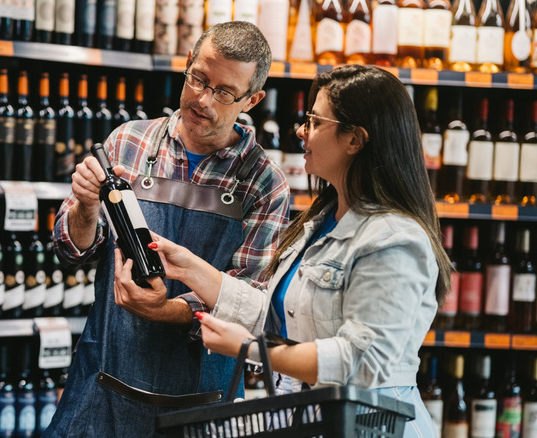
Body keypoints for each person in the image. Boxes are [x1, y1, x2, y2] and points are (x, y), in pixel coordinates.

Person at [116, 64, 453, 437]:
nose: (301, 131)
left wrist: (250, 349)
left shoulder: (394, 240)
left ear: (354, 140)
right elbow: (287, 318)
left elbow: (363, 360)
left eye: (314, 121)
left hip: (372, 427)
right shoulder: (321, 221)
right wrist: (193, 269)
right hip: (316, 420)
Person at [44, 21, 290, 437]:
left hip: (202, 404)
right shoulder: (128, 142)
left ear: (252, 99)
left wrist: (168, 311)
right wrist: (85, 206)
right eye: (199, 78)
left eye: (225, 92)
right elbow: (74, 251)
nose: (203, 99)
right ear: (188, 63)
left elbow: (249, 302)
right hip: (104, 386)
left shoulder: (265, 184)